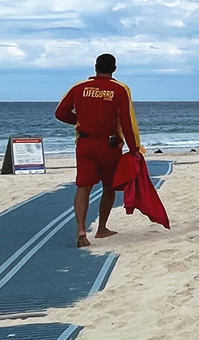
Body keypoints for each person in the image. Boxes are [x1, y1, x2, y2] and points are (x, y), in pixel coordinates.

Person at [55, 53, 143, 247]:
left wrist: (79, 121)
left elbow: (60, 113)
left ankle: (81, 229)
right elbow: (127, 121)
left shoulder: (78, 88)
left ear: (95, 67)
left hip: (85, 144)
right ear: (114, 69)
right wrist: (134, 148)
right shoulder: (119, 89)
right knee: (109, 187)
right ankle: (102, 228)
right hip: (109, 146)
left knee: (83, 187)